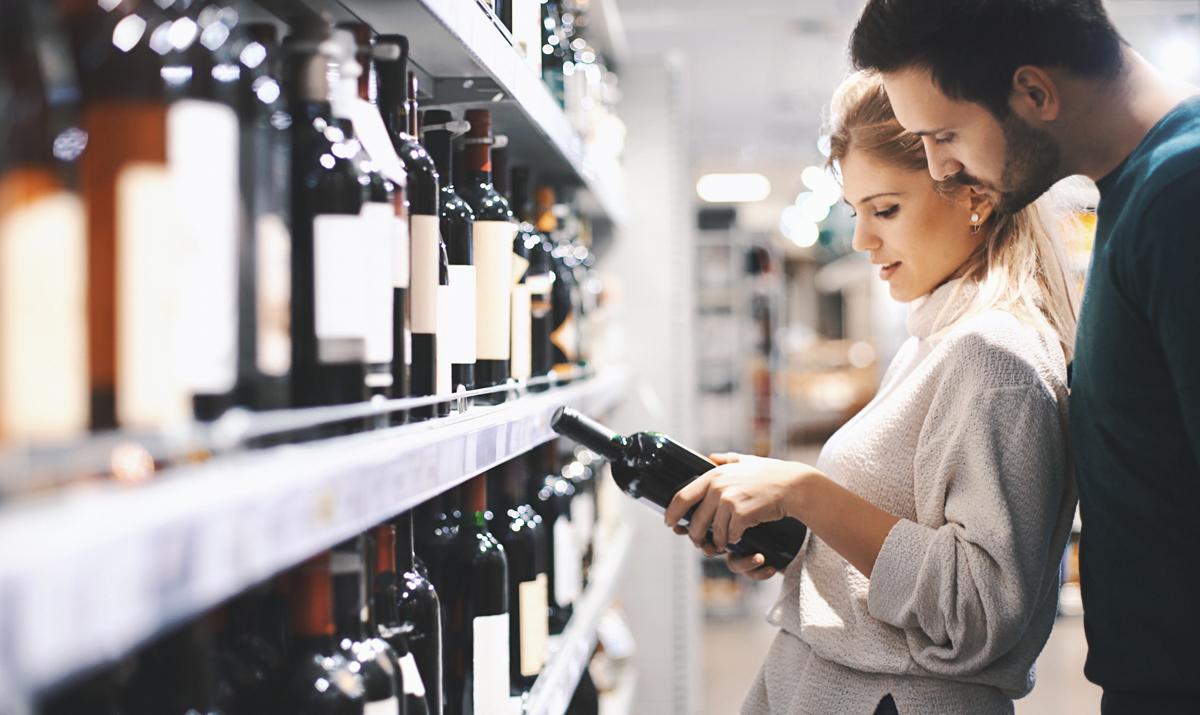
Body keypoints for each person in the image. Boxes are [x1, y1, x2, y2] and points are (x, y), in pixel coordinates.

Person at [665, 70, 1079, 715]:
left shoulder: (992, 359)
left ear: (975, 193)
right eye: (857, 212)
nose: (862, 240)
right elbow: (905, 538)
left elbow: (976, 612)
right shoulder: (933, 339)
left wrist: (806, 492)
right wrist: (802, 537)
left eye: (885, 209)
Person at [848, 2, 1200, 712]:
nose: (942, 169)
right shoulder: (1141, 197)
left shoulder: (1179, 196)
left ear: (1033, 93)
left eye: (944, 135)